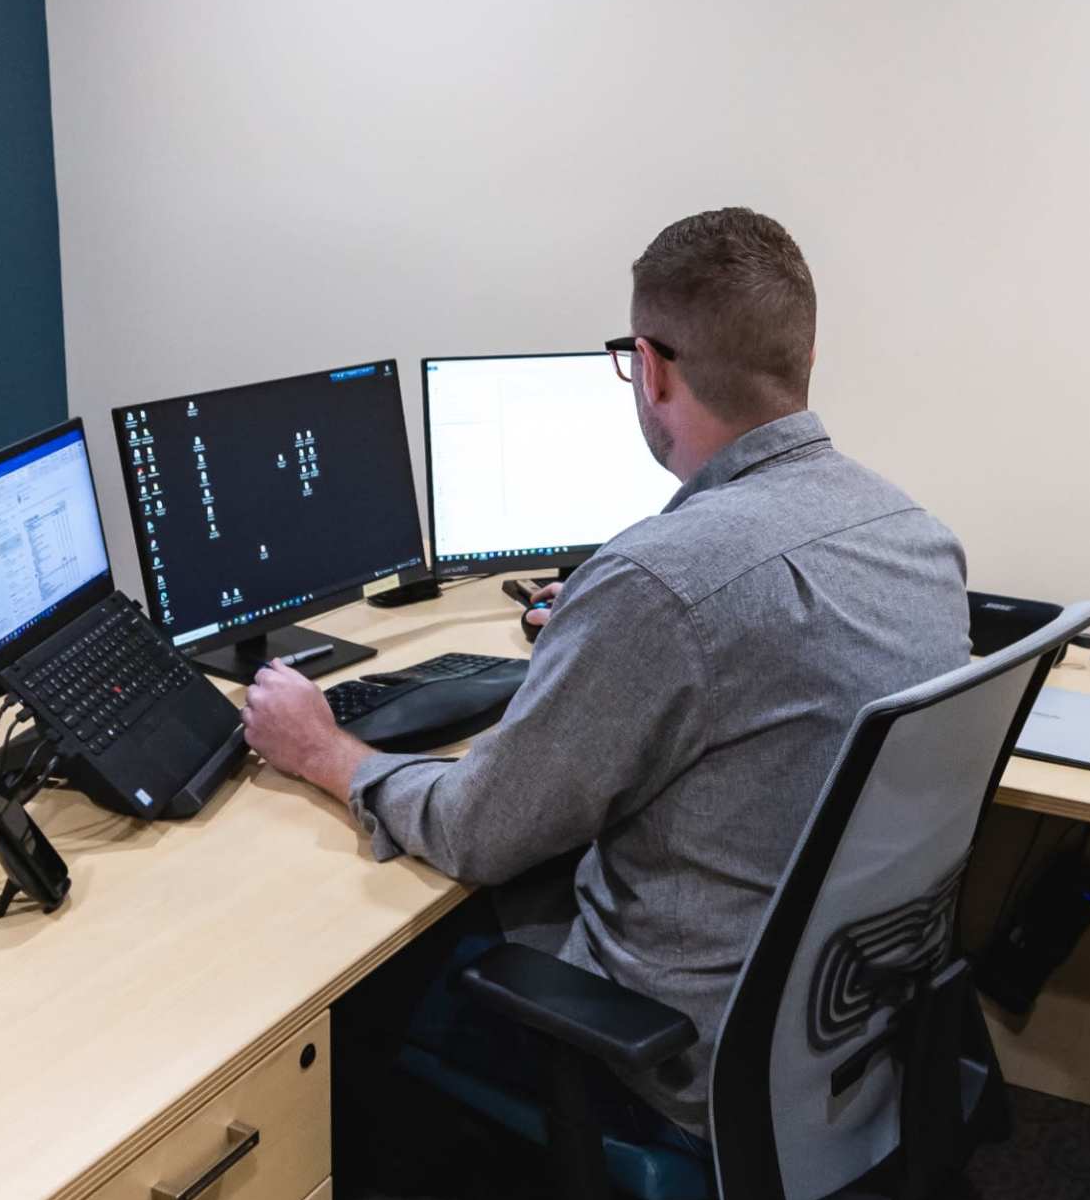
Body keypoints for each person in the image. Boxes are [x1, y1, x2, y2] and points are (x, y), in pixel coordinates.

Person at [239, 206, 970, 1147]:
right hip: (838, 1034)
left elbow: (476, 831)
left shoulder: (657, 585)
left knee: (371, 987)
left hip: (672, 1061)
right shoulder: (913, 534)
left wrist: (325, 750)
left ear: (651, 366)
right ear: (803, 357)